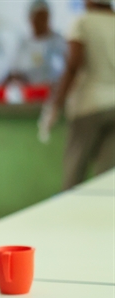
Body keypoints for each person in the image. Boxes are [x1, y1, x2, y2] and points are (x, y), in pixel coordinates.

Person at [38, 0, 115, 189]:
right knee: (106, 181)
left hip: (89, 106)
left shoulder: (82, 22)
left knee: (74, 176)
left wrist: (55, 106)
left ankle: (70, 217)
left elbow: (73, 66)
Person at [8, 0, 67, 85]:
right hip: (29, 93)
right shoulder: (23, 44)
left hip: (53, 93)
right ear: (30, 19)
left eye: (44, 17)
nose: (41, 21)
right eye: (38, 17)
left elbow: (67, 68)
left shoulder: (59, 42)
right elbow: (15, 71)